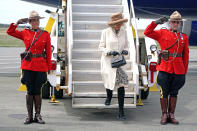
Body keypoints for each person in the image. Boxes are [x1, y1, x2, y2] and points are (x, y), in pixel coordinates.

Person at [144, 11, 189, 125]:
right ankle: (164, 114)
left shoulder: (184, 37)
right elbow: (147, 32)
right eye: (174, 21)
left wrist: (184, 70)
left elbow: (186, 55)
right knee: (164, 92)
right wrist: (156, 23)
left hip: (178, 69)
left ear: (180, 24)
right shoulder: (162, 33)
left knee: (174, 92)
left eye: (178, 22)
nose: (175, 24)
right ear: (170, 23)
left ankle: (171, 114)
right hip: (165, 67)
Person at [7, 10, 52, 124]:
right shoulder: (25, 33)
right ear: (30, 22)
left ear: (39, 21)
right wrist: (17, 22)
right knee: (29, 91)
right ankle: (29, 116)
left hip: (40, 65)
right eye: (33, 20)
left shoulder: (45, 34)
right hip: (28, 65)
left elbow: (48, 52)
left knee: (37, 91)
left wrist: (48, 67)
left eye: (37, 20)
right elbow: (10, 32)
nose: (35, 22)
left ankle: (38, 115)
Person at [99, 12, 129, 120]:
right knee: (109, 81)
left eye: (120, 23)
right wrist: (109, 51)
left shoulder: (124, 31)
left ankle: (121, 111)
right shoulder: (105, 32)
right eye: (116, 23)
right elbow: (101, 47)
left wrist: (126, 50)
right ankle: (109, 96)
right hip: (108, 61)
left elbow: (126, 45)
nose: (118, 25)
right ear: (112, 24)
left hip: (119, 62)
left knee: (121, 85)